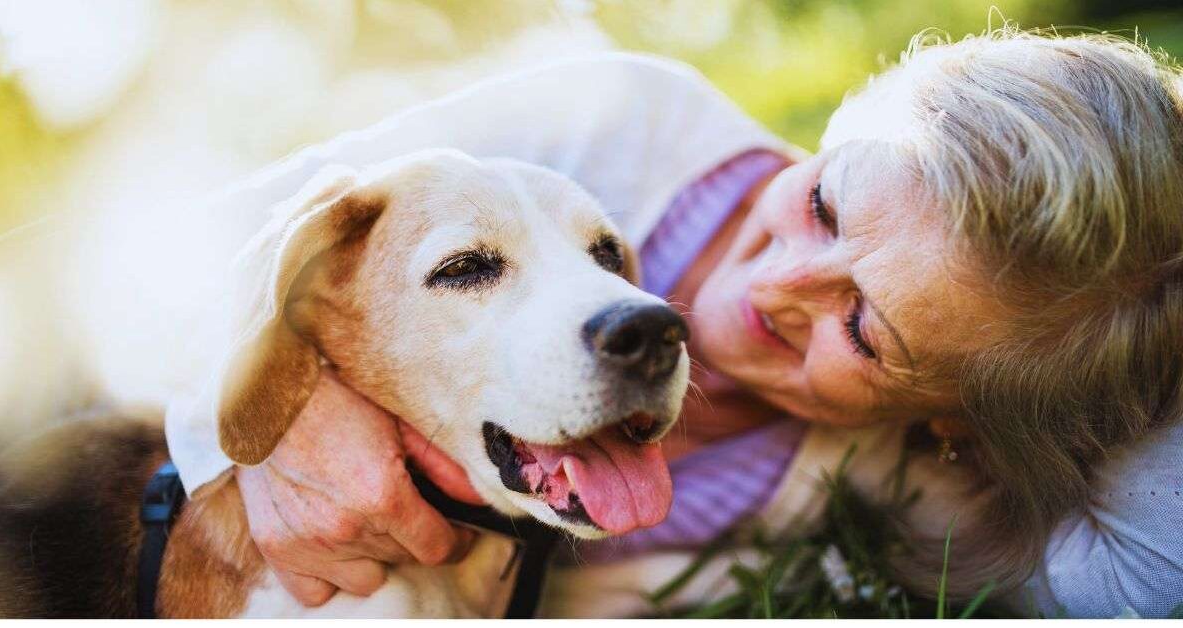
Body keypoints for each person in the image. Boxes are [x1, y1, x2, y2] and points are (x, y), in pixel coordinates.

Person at [165, 27, 1183, 618]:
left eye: (866, 332)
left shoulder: (904, 475)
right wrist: (260, 419)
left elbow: (1150, 578)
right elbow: (163, 255)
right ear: (841, 125)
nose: (771, 291)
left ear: (954, 416)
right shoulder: (619, 119)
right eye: (824, 202)